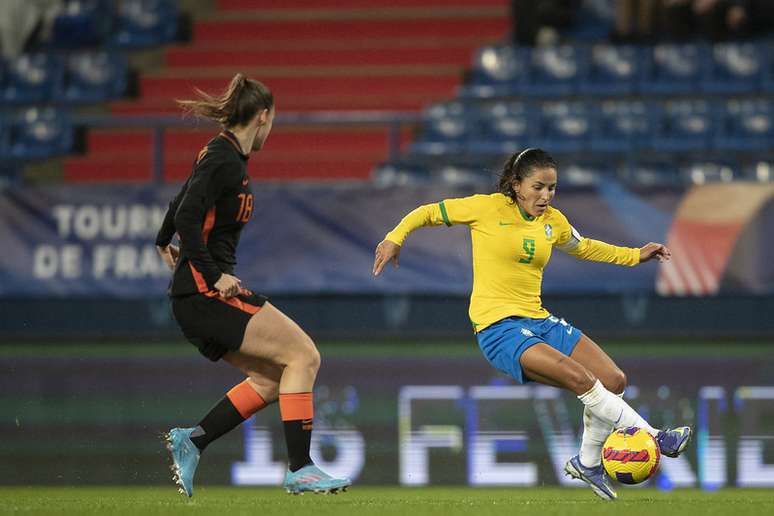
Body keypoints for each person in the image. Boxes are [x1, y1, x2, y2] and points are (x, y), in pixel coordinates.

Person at [372, 148, 691, 501]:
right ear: (516, 185)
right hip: (499, 328)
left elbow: (583, 248)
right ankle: (655, 436)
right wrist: (394, 237)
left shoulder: (553, 221)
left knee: (614, 380)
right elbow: (429, 212)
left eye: (552, 188)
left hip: (538, 319)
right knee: (581, 379)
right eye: (538, 187)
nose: (545, 196)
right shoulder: (487, 208)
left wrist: (634, 255)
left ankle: (587, 463)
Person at [155, 73, 350, 497]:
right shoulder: (224, 158)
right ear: (263, 115)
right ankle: (300, 468)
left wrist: (160, 241)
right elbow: (188, 214)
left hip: (196, 295)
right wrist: (212, 273)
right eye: (273, 119)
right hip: (206, 292)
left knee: (272, 379)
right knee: (303, 355)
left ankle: (195, 440)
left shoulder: (221, 156)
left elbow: (180, 202)